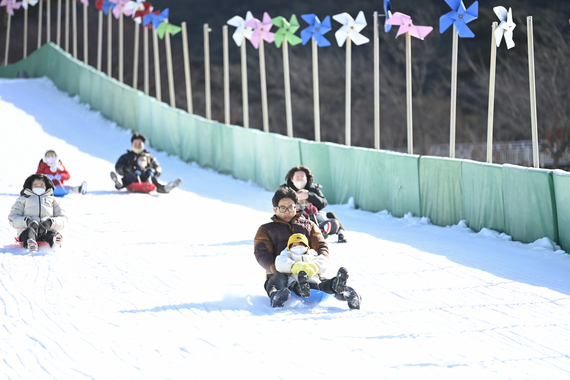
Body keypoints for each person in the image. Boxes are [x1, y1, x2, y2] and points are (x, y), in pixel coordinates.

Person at [254, 186, 361, 309]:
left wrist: (319, 263)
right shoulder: (266, 229)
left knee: (320, 283)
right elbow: (262, 253)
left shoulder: (308, 226)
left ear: (296, 206)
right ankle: (276, 296)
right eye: (283, 208)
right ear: (275, 209)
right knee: (277, 281)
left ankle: (344, 292)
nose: (287, 211)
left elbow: (321, 245)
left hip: (308, 271)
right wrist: (276, 268)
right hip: (280, 273)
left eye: (291, 207)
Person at [284, 165, 347, 243]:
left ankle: (337, 232)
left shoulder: (313, 188)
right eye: (297, 178)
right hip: (296, 218)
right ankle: (307, 232)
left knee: (330, 215)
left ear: (307, 178)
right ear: (291, 179)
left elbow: (323, 203)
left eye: (303, 177)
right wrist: (292, 207)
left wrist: (309, 196)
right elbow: (278, 203)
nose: (300, 180)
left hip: (315, 216)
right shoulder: (285, 190)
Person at [8, 174, 68, 251]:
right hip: (27, 230)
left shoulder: (53, 200)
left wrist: (51, 223)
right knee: (29, 231)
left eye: (42, 185)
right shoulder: (22, 200)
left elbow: (63, 218)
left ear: (46, 186)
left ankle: (55, 240)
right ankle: (31, 242)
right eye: (35, 185)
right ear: (30, 186)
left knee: (51, 233)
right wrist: (27, 222)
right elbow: (13, 218)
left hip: (46, 229)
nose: (39, 187)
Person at [110, 133, 181, 193]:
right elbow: (118, 166)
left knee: (154, 180)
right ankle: (119, 183)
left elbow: (158, 167)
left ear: (143, 145)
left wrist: (154, 171)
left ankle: (165, 188)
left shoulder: (150, 158)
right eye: (135, 144)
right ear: (132, 144)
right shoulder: (126, 157)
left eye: (140, 144)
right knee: (127, 177)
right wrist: (126, 168)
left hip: (147, 179)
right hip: (132, 179)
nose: (137, 146)